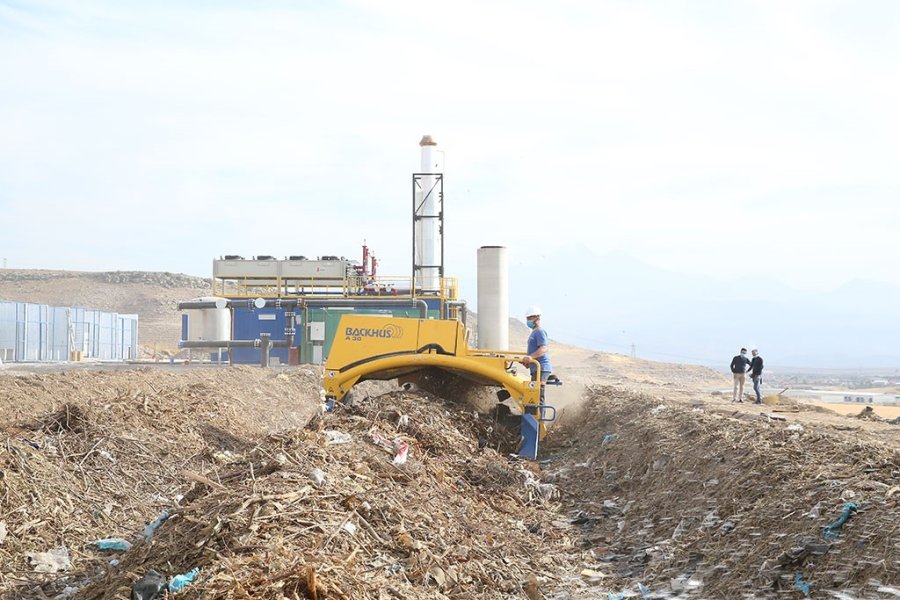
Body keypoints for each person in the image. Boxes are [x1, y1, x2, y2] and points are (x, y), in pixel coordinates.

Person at [521, 305, 552, 404]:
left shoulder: (539, 331)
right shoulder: (533, 333)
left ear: (537, 318)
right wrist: (528, 362)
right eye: (527, 318)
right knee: (533, 393)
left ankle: (538, 418)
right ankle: (535, 415)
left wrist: (530, 357)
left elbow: (544, 348)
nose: (528, 321)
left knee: (538, 394)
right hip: (535, 368)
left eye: (530, 318)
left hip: (541, 368)